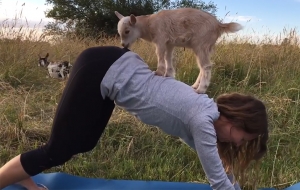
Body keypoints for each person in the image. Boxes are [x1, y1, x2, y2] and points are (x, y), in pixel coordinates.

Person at [0, 46, 269, 190]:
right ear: (235, 122)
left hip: (112, 71)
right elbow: (218, 182)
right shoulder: (202, 120)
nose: (236, 145)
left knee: (83, 143)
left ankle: (21, 175)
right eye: (241, 139)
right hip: (101, 68)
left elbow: (220, 169)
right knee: (55, 152)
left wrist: (232, 177)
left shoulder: (205, 117)